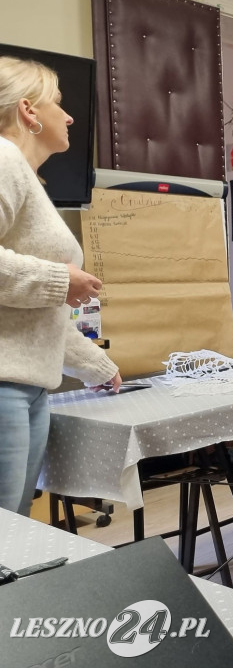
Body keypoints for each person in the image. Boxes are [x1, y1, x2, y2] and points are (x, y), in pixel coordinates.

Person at [0, 56, 121, 516]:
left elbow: (39, 315)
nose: (68, 117)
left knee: (13, 535)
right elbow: (50, 289)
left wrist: (97, 365)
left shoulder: (28, 178)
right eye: (59, 103)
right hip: (5, 389)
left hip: (26, 389)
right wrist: (59, 278)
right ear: (29, 111)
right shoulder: (3, 157)